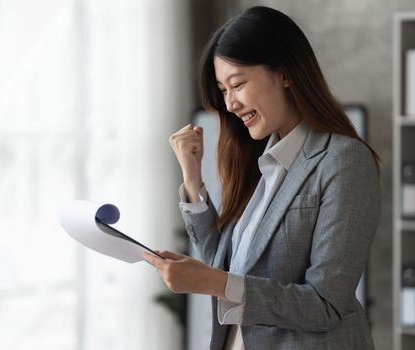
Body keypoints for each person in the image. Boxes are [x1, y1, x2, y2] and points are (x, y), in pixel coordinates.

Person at [142, 5, 381, 350]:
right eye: (223, 91)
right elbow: (225, 265)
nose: (230, 104)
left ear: (284, 73)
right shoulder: (261, 163)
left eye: (237, 84)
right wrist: (192, 177)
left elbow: (325, 305)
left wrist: (216, 282)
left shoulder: (343, 161)